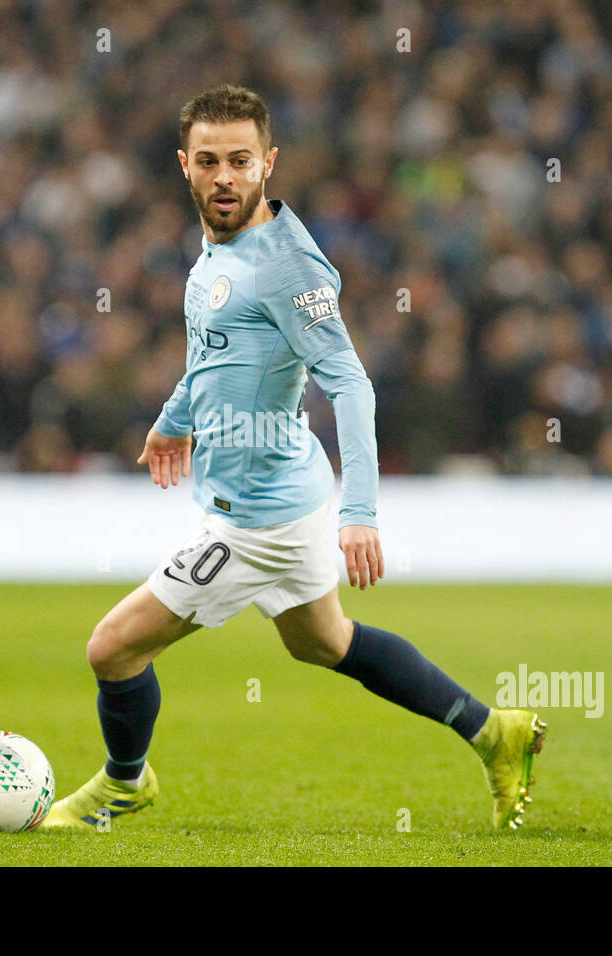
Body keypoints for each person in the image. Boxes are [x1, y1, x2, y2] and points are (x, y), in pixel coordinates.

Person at [43, 85, 544, 832]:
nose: (224, 177)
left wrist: (363, 514)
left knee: (112, 649)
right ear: (184, 165)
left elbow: (350, 382)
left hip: (258, 519)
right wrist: (174, 418)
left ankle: (123, 785)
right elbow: (217, 353)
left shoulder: (286, 267)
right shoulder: (222, 246)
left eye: (240, 161)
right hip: (287, 490)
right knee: (325, 642)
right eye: (209, 161)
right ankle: (492, 731)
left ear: (268, 163)